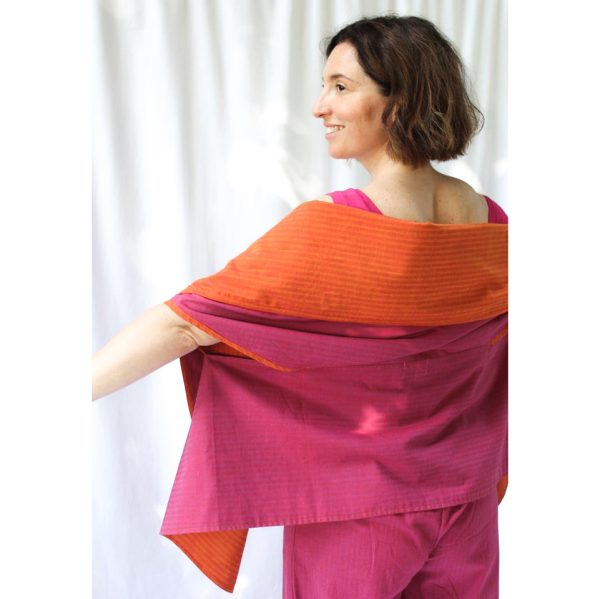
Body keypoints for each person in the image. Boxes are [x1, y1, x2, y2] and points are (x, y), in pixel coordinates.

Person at [93, 14, 507, 598]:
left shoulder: (337, 228)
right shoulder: (494, 225)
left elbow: (184, 324)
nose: (319, 107)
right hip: (468, 505)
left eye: (341, 86)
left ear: (400, 100)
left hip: (361, 512)